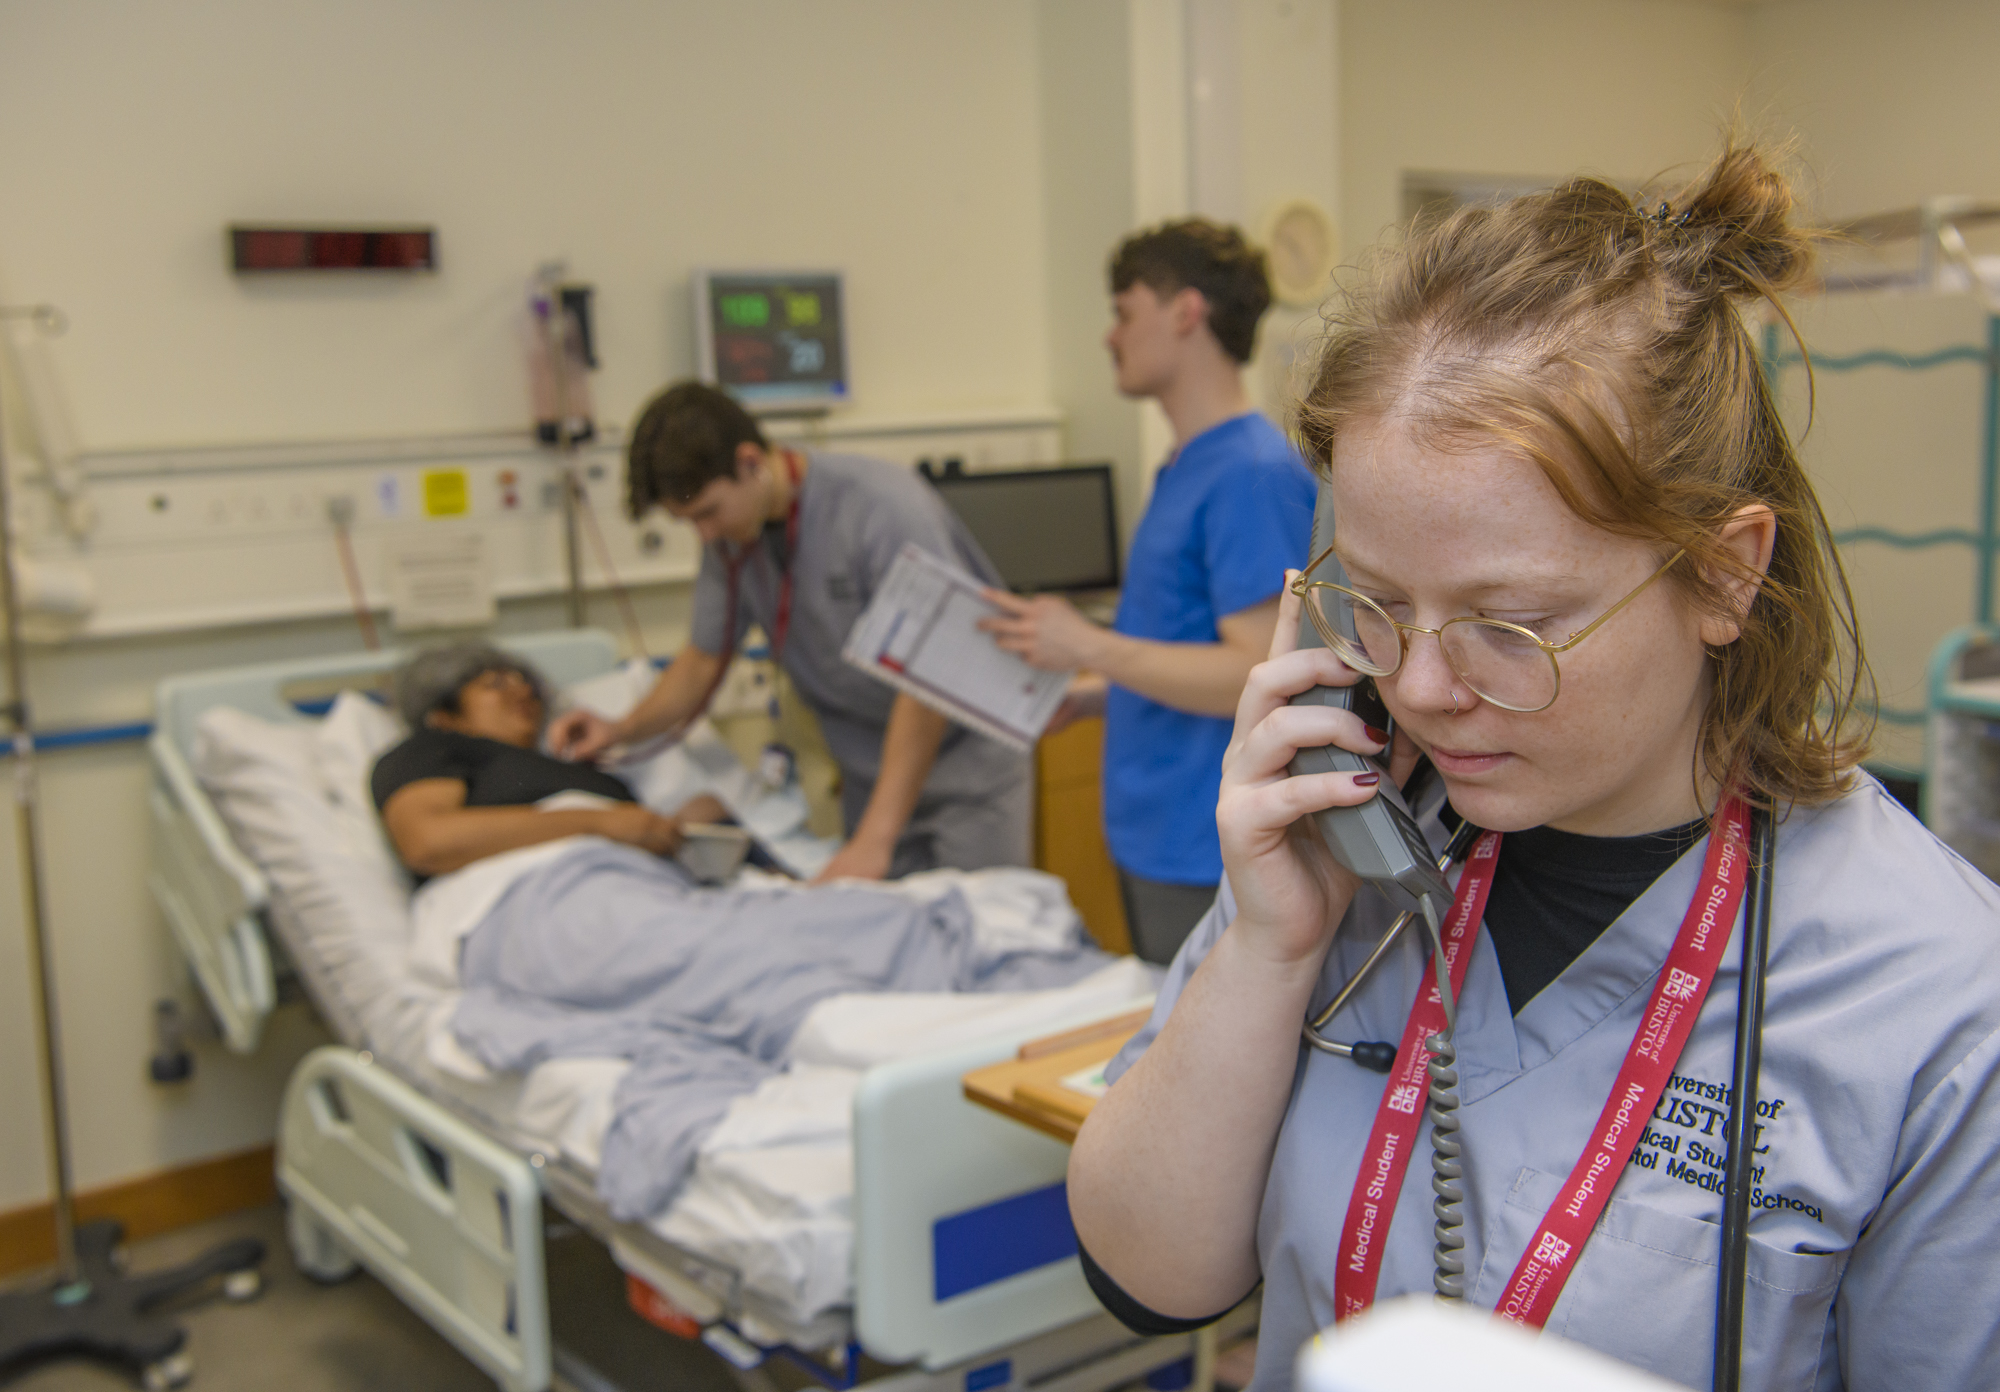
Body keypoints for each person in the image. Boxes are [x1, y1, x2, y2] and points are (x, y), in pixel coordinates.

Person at [1065, 142, 2000, 1390]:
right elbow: (1148, 1278)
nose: (1419, 687)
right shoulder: (1352, 848)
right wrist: (1267, 950)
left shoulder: (1935, 1000)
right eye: (1378, 603)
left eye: (1509, 625)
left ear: (1723, 573)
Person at [982, 219, 1315, 964]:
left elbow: (1258, 674)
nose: (1110, 335)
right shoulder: (1188, 466)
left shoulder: (1249, 472)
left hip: (1205, 847)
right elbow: (1186, 647)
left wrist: (1087, 642)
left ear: (1185, 312)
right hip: (1155, 836)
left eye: (1124, 311)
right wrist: (1100, 691)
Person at [548, 382, 1031, 882]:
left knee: (984, 931)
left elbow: (930, 675)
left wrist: (875, 839)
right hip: (872, 776)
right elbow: (701, 661)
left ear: (751, 461)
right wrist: (621, 729)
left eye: (709, 512)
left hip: (966, 772)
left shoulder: (881, 508)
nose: (705, 535)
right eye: (688, 521)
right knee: (894, 938)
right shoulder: (733, 541)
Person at [371, 642, 726, 878]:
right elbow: (428, 842)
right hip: (540, 892)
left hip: (647, 884)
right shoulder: (431, 747)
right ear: (442, 714)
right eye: (495, 683)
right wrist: (600, 824)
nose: (523, 691)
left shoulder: (574, 768)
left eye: (527, 683)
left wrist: (679, 826)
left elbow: (634, 830)